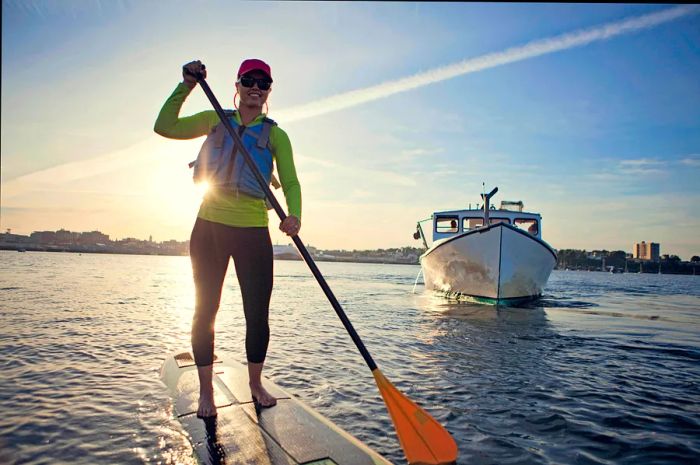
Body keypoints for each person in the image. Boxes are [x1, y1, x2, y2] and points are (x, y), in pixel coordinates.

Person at [154, 59, 302, 417]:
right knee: (205, 310)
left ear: (269, 90)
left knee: (257, 314)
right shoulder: (214, 120)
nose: (256, 87)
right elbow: (164, 126)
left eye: (263, 83)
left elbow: (292, 181)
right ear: (236, 86)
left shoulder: (277, 136)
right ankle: (206, 393)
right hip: (210, 227)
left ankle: (255, 383)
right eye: (249, 81)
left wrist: (294, 214)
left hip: (253, 230)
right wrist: (186, 85)